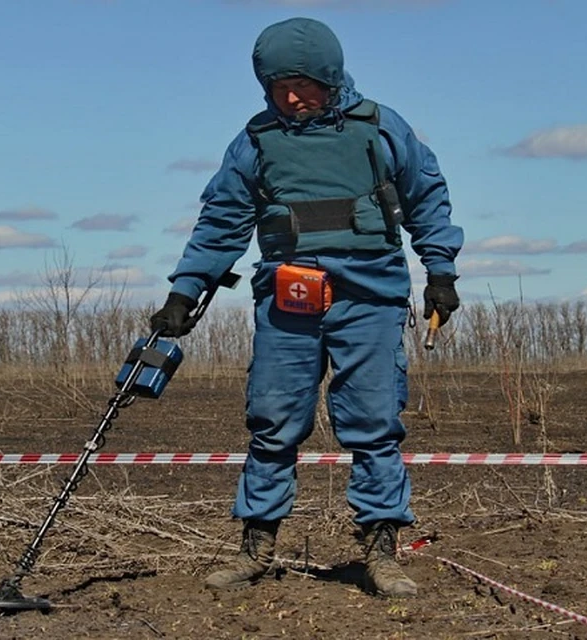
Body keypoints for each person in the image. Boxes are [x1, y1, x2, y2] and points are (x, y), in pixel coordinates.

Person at [150, 16, 463, 598]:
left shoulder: (381, 128)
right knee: (273, 420)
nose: (292, 97)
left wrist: (440, 273)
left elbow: (428, 198)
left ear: (330, 75)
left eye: (303, 84)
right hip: (288, 300)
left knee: (373, 424)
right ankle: (257, 547)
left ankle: (380, 550)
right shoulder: (255, 141)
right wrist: (184, 290)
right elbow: (221, 220)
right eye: (278, 87)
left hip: (370, 296)